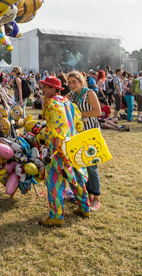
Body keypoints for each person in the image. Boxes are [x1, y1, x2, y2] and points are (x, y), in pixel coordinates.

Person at [37, 76, 90, 227]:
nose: (43, 89)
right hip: (72, 145)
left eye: (46, 87)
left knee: (55, 181)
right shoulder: (67, 102)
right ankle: (84, 208)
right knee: (76, 177)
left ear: (53, 89)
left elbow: (60, 126)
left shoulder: (52, 103)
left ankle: (56, 216)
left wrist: (55, 148)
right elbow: (78, 123)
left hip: (58, 148)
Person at [67, 71, 102, 211]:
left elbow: (97, 112)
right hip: (77, 134)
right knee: (80, 166)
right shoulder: (71, 96)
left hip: (90, 133)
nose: (72, 85)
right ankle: (86, 195)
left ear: (81, 81)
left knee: (91, 167)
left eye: (74, 82)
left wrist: (79, 114)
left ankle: (96, 198)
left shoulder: (89, 93)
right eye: (69, 83)